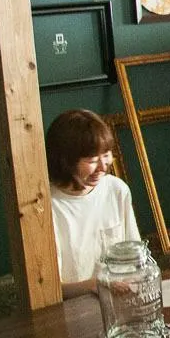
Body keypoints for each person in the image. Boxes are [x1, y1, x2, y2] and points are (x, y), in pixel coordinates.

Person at [46, 109, 140, 298]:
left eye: (106, 155)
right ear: (65, 161)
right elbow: (49, 289)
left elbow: (136, 259)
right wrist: (96, 284)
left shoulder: (116, 190)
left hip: (120, 301)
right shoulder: (48, 205)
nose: (104, 166)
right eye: (92, 160)